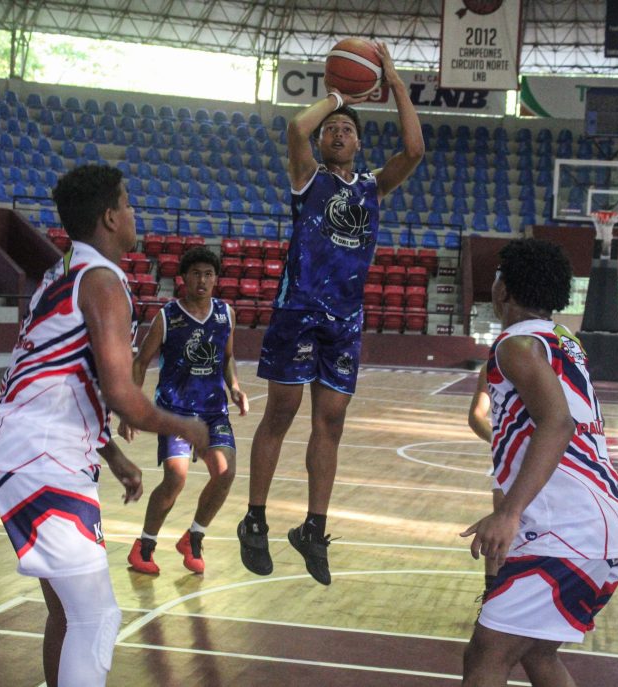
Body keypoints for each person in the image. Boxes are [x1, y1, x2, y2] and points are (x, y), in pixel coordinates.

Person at [0, 164, 209, 687]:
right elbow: (123, 396)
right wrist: (187, 426)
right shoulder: (102, 281)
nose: (134, 214)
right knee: (98, 616)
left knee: (68, 612)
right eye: (128, 204)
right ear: (110, 217)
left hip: (31, 450)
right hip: (41, 458)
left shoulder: (61, 274)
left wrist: (111, 453)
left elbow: (66, 378)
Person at [237, 42, 424, 586]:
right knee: (282, 411)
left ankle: (313, 528)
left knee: (332, 422)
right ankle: (255, 518)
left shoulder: (372, 186)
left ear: (360, 143)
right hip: (298, 310)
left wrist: (392, 80)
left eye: (347, 130)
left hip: (344, 319)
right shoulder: (307, 179)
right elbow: (297, 129)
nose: (337, 134)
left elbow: (413, 149)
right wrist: (342, 93)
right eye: (331, 130)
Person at [459, 239, 618, 686]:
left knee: (486, 656)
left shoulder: (515, 345)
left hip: (565, 528)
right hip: (602, 523)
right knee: (537, 653)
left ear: (504, 291)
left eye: (498, 278)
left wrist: (509, 513)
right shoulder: (564, 341)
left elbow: (557, 423)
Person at [121, 246, 248, 575]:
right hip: (174, 412)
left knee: (226, 473)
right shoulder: (168, 316)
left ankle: (193, 537)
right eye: (196, 274)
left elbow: (228, 357)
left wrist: (234, 386)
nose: (202, 280)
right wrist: (130, 409)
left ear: (216, 278)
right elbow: (140, 362)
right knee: (175, 478)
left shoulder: (226, 314)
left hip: (212, 411)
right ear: (184, 278)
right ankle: (144, 547)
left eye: (209, 274)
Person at [466, 364, 504, 600]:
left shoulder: (556, 363)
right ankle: (492, 595)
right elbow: (476, 417)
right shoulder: (493, 366)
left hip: (549, 457)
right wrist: (500, 442)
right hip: (511, 462)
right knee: (499, 527)